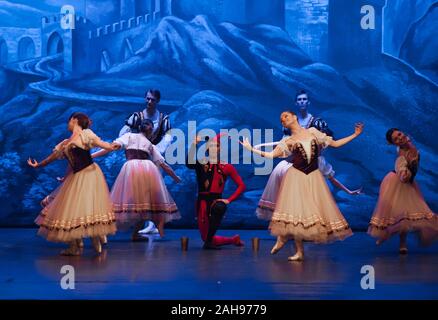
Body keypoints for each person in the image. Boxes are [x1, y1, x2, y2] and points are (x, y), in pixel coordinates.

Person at [241, 111, 363, 261]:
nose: (283, 119)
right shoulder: (288, 141)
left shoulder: (313, 132)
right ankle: (294, 247)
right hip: (296, 177)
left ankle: (288, 242)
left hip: (313, 177)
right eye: (281, 119)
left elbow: (335, 144)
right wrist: (250, 149)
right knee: (296, 213)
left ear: (294, 117)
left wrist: (355, 134)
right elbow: (271, 155)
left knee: (308, 214)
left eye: (285, 116)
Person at [27, 112, 117, 256]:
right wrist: (38, 165)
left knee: (89, 206)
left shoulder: (85, 134)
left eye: (69, 121)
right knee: (72, 210)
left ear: (74, 120)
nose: (67, 124)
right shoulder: (65, 143)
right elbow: (54, 158)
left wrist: (112, 146)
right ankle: (75, 246)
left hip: (90, 174)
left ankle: (96, 236)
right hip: (76, 177)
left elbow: (102, 144)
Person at [92, 118, 181, 240]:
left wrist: (93, 155)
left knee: (136, 205)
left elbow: (112, 147)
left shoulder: (133, 138)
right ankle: (137, 230)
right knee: (144, 206)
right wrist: (175, 177)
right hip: (146, 171)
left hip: (134, 169)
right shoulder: (146, 143)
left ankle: (129, 232)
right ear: (150, 132)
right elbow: (164, 165)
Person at [368, 128, 438, 254]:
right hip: (397, 183)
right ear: (394, 143)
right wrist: (406, 173)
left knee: (406, 216)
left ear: (403, 133)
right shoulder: (401, 156)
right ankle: (388, 233)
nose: (400, 138)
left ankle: (402, 243)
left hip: (409, 183)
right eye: (396, 139)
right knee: (402, 215)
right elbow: (402, 174)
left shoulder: (409, 144)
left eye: (399, 134)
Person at [120, 89, 172, 236]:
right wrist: (130, 145)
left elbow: (168, 137)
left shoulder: (164, 119)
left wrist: (156, 150)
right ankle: (137, 221)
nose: (149, 102)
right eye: (148, 99)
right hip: (138, 158)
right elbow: (124, 132)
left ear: (157, 101)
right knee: (138, 191)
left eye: (153, 100)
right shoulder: (137, 117)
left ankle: (152, 224)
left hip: (153, 158)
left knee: (154, 190)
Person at [186, 134, 246, 249]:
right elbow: (189, 163)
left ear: (220, 149)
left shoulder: (226, 166)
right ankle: (232, 240)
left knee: (220, 207)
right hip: (202, 202)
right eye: (211, 146)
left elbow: (241, 186)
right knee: (207, 237)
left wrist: (228, 200)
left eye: (217, 146)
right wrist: (194, 144)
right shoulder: (201, 163)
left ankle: (208, 243)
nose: (214, 148)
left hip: (215, 201)